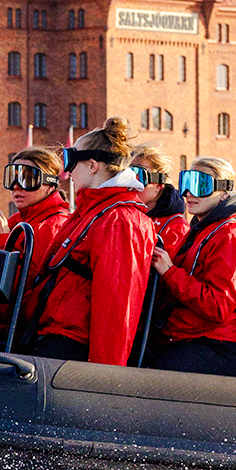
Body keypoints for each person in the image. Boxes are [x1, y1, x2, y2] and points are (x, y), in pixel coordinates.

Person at [25, 118, 156, 363]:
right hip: (52, 331)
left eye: (71, 161)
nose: (67, 172)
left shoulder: (120, 220)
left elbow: (117, 306)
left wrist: (102, 376)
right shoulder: (93, 211)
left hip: (72, 343)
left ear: (93, 165)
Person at [148, 157, 236, 375]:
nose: (189, 193)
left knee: (149, 387)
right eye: (186, 182)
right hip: (182, 335)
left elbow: (217, 305)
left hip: (214, 344)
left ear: (225, 192)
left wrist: (170, 272)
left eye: (201, 184)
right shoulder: (203, 229)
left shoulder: (233, 237)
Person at [0, 147, 70, 270]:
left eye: (27, 180)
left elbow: (23, 283)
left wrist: (2, 239)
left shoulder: (52, 225)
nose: (15, 186)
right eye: (12, 178)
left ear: (50, 185)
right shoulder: (18, 220)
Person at [130, 146, 188, 254]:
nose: (132, 183)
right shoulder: (122, 214)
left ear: (159, 185)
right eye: (129, 175)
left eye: (140, 177)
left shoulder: (176, 227)